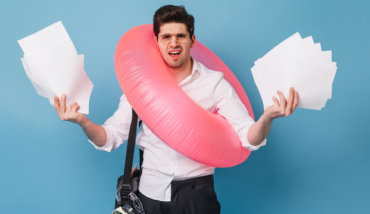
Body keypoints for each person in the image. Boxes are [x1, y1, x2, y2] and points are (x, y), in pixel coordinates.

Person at [53, 5, 299, 214]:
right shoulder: (141, 84)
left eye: (181, 36)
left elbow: (247, 137)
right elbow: (111, 136)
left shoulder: (214, 83)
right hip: (149, 194)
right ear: (157, 41)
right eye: (166, 36)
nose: (174, 42)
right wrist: (82, 122)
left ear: (192, 40)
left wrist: (267, 118)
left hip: (197, 196)